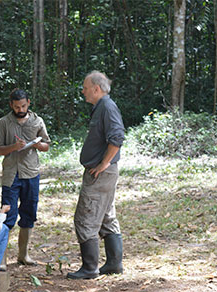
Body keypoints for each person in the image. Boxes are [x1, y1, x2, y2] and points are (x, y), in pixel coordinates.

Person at [67, 71, 125, 280]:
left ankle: (89, 268)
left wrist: (103, 163)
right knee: (106, 216)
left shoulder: (107, 107)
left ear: (96, 88)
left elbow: (117, 138)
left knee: (85, 217)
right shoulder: (101, 107)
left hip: (100, 174)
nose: (82, 91)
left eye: (85, 87)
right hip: (104, 173)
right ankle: (113, 263)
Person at [0, 88, 50, 267]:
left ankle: (23, 255)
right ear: (11, 105)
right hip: (11, 175)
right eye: (17, 107)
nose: (20, 109)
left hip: (31, 173)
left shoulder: (37, 121)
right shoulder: (3, 123)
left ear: (29, 103)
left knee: (29, 214)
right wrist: (13, 147)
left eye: (23, 106)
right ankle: (0, 259)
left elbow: (47, 145)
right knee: (7, 215)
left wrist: (37, 144)